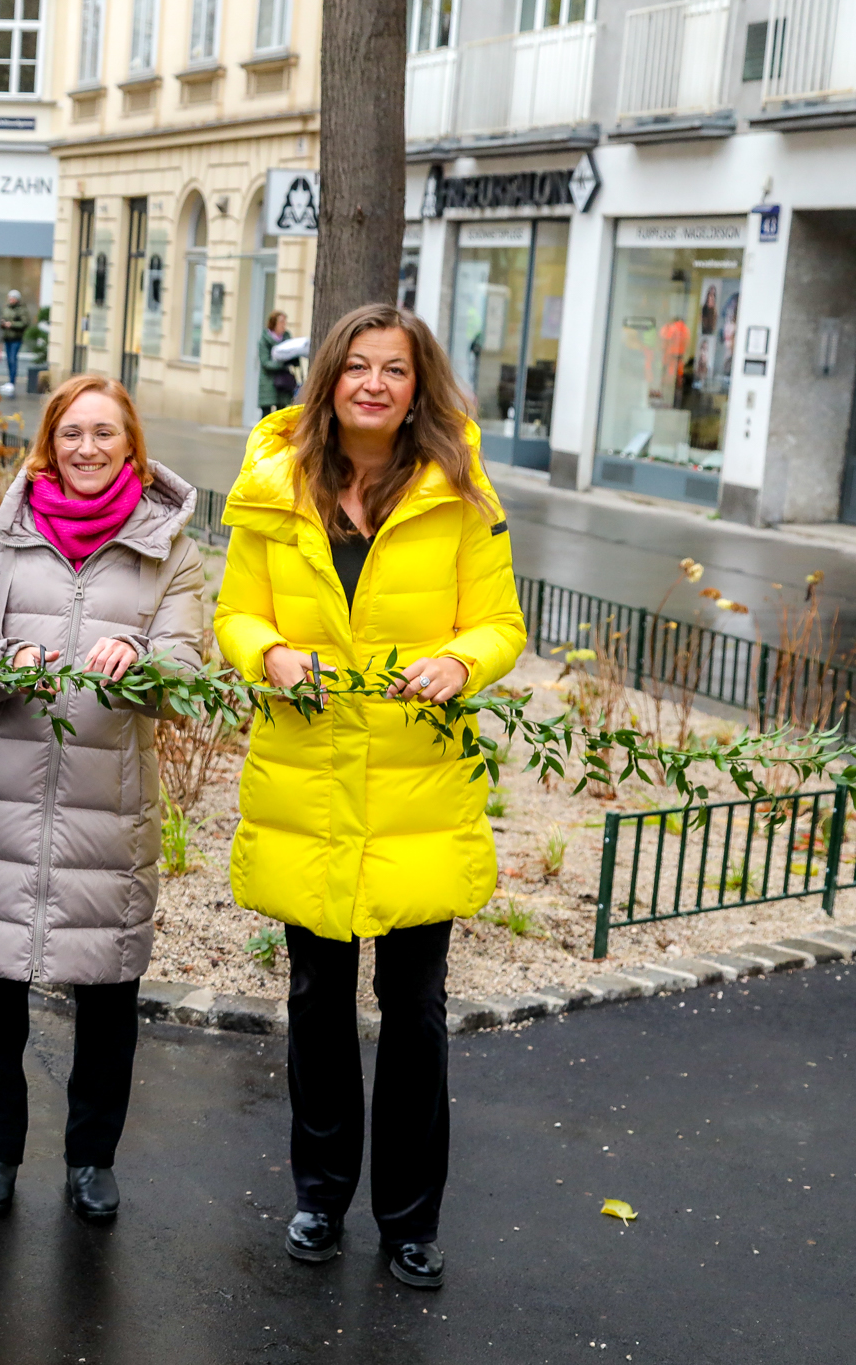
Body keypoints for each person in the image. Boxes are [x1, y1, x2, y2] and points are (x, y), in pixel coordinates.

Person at [213, 302, 525, 1290]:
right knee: (313, 1000)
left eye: (393, 369)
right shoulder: (271, 487)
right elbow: (233, 611)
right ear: (328, 380)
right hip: (308, 777)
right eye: (356, 367)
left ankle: (408, 1218)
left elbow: (500, 624)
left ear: (417, 384)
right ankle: (317, 1196)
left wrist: (456, 664)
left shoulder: (461, 493)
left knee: (414, 1008)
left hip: (413, 784)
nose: (373, 385)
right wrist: (266, 651)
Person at [0, 374, 207, 1223]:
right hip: (3, 800)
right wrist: (1, 661)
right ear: (48, 443)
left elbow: (187, 678)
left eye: (104, 434)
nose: (86, 448)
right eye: (71, 434)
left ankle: (93, 1158)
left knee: (108, 994)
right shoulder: (2, 540)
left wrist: (141, 654)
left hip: (108, 804)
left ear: (133, 446)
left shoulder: (170, 551)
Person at [258, 310, 299, 414]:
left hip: (284, 382)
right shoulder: (264, 340)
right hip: (268, 381)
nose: (283, 325)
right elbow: (265, 362)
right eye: (281, 322)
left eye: (285, 322)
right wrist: (281, 364)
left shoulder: (286, 337)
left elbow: (292, 353)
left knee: (281, 414)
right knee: (266, 415)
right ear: (273, 323)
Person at [0, 290, 32, 392]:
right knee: (9, 360)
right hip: (7, 337)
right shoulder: (6, 307)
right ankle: (9, 381)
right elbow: (3, 318)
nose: (10, 300)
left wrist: (12, 324)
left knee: (13, 359)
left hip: (16, 338)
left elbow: (25, 323)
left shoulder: (22, 309)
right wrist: (3, 324)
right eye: (9, 298)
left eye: (12, 298)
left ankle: (12, 382)